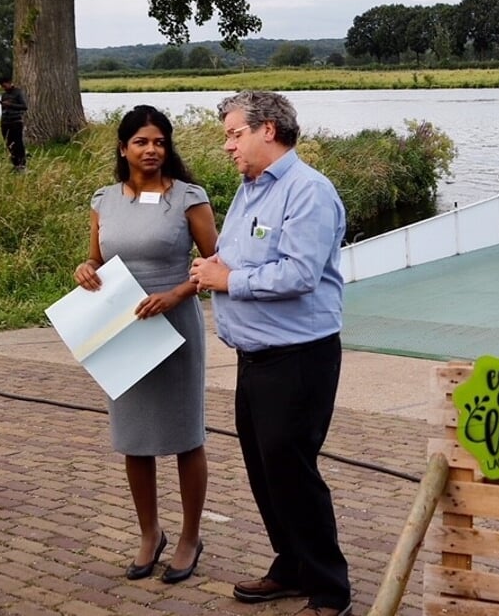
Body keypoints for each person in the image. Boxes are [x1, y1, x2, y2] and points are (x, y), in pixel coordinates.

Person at [189, 91, 352, 616]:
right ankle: (292, 564)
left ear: (269, 130)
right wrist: (211, 268)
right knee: (264, 468)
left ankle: (330, 589)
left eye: (235, 134)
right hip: (255, 356)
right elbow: (239, 255)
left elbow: (300, 274)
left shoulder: (309, 192)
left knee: (292, 469)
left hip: (299, 358)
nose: (228, 145)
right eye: (227, 136)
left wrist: (228, 279)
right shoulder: (249, 190)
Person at [72, 105, 218, 584]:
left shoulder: (189, 199)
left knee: (185, 436)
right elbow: (95, 260)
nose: (151, 150)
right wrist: (84, 271)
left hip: (175, 328)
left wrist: (177, 293)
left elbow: (214, 264)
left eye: (159, 142)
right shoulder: (103, 200)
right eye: (141, 142)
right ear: (124, 148)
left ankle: (190, 536)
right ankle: (149, 532)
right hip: (124, 332)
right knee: (135, 438)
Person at [0, 77, 28, 171]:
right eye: (2, 86)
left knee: (18, 143)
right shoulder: (4, 95)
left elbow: (24, 107)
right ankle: (15, 164)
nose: (3, 87)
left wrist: (10, 105)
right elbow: (3, 110)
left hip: (16, 122)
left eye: (4, 85)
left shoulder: (18, 92)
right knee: (9, 144)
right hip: (5, 122)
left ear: (10, 83)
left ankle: (22, 164)